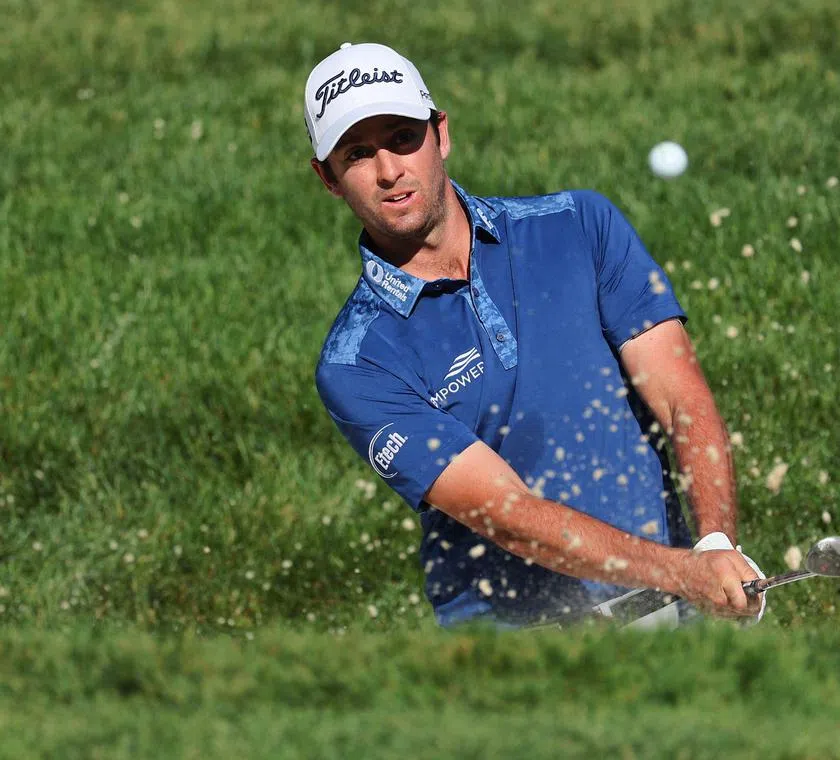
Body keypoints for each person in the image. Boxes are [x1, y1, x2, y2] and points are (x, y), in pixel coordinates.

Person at [304, 42, 766, 627]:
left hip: (677, 602)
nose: (390, 170)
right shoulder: (357, 364)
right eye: (358, 154)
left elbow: (683, 399)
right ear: (328, 177)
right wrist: (682, 573)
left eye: (402, 137)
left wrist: (715, 545)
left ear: (440, 133)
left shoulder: (578, 225)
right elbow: (509, 513)